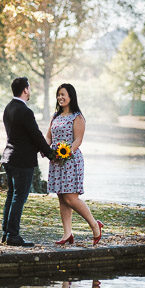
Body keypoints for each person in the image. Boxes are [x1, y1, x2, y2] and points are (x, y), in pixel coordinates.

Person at [0, 76, 55, 247]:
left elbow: (22, 135)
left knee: (12, 196)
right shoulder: (25, 111)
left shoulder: (8, 108)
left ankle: (6, 232)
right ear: (25, 90)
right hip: (22, 161)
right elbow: (35, 134)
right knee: (19, 197)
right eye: (29, 88)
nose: (29, 91)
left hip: (9, 157)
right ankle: (13, 235)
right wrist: (50, 153)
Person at [46, 83, 102, 245]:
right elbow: (49, 137)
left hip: (70, 160)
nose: (60, 97)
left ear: (71, 97)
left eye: (63, 94)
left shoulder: (77, 117)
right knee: (62, 198)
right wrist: (46, 150)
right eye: (58, 95)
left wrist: (65, 153)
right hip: (56, 161)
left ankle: (94, 225)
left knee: (71, 198)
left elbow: (78, 140)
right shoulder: (55, 116)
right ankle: (67, 234)